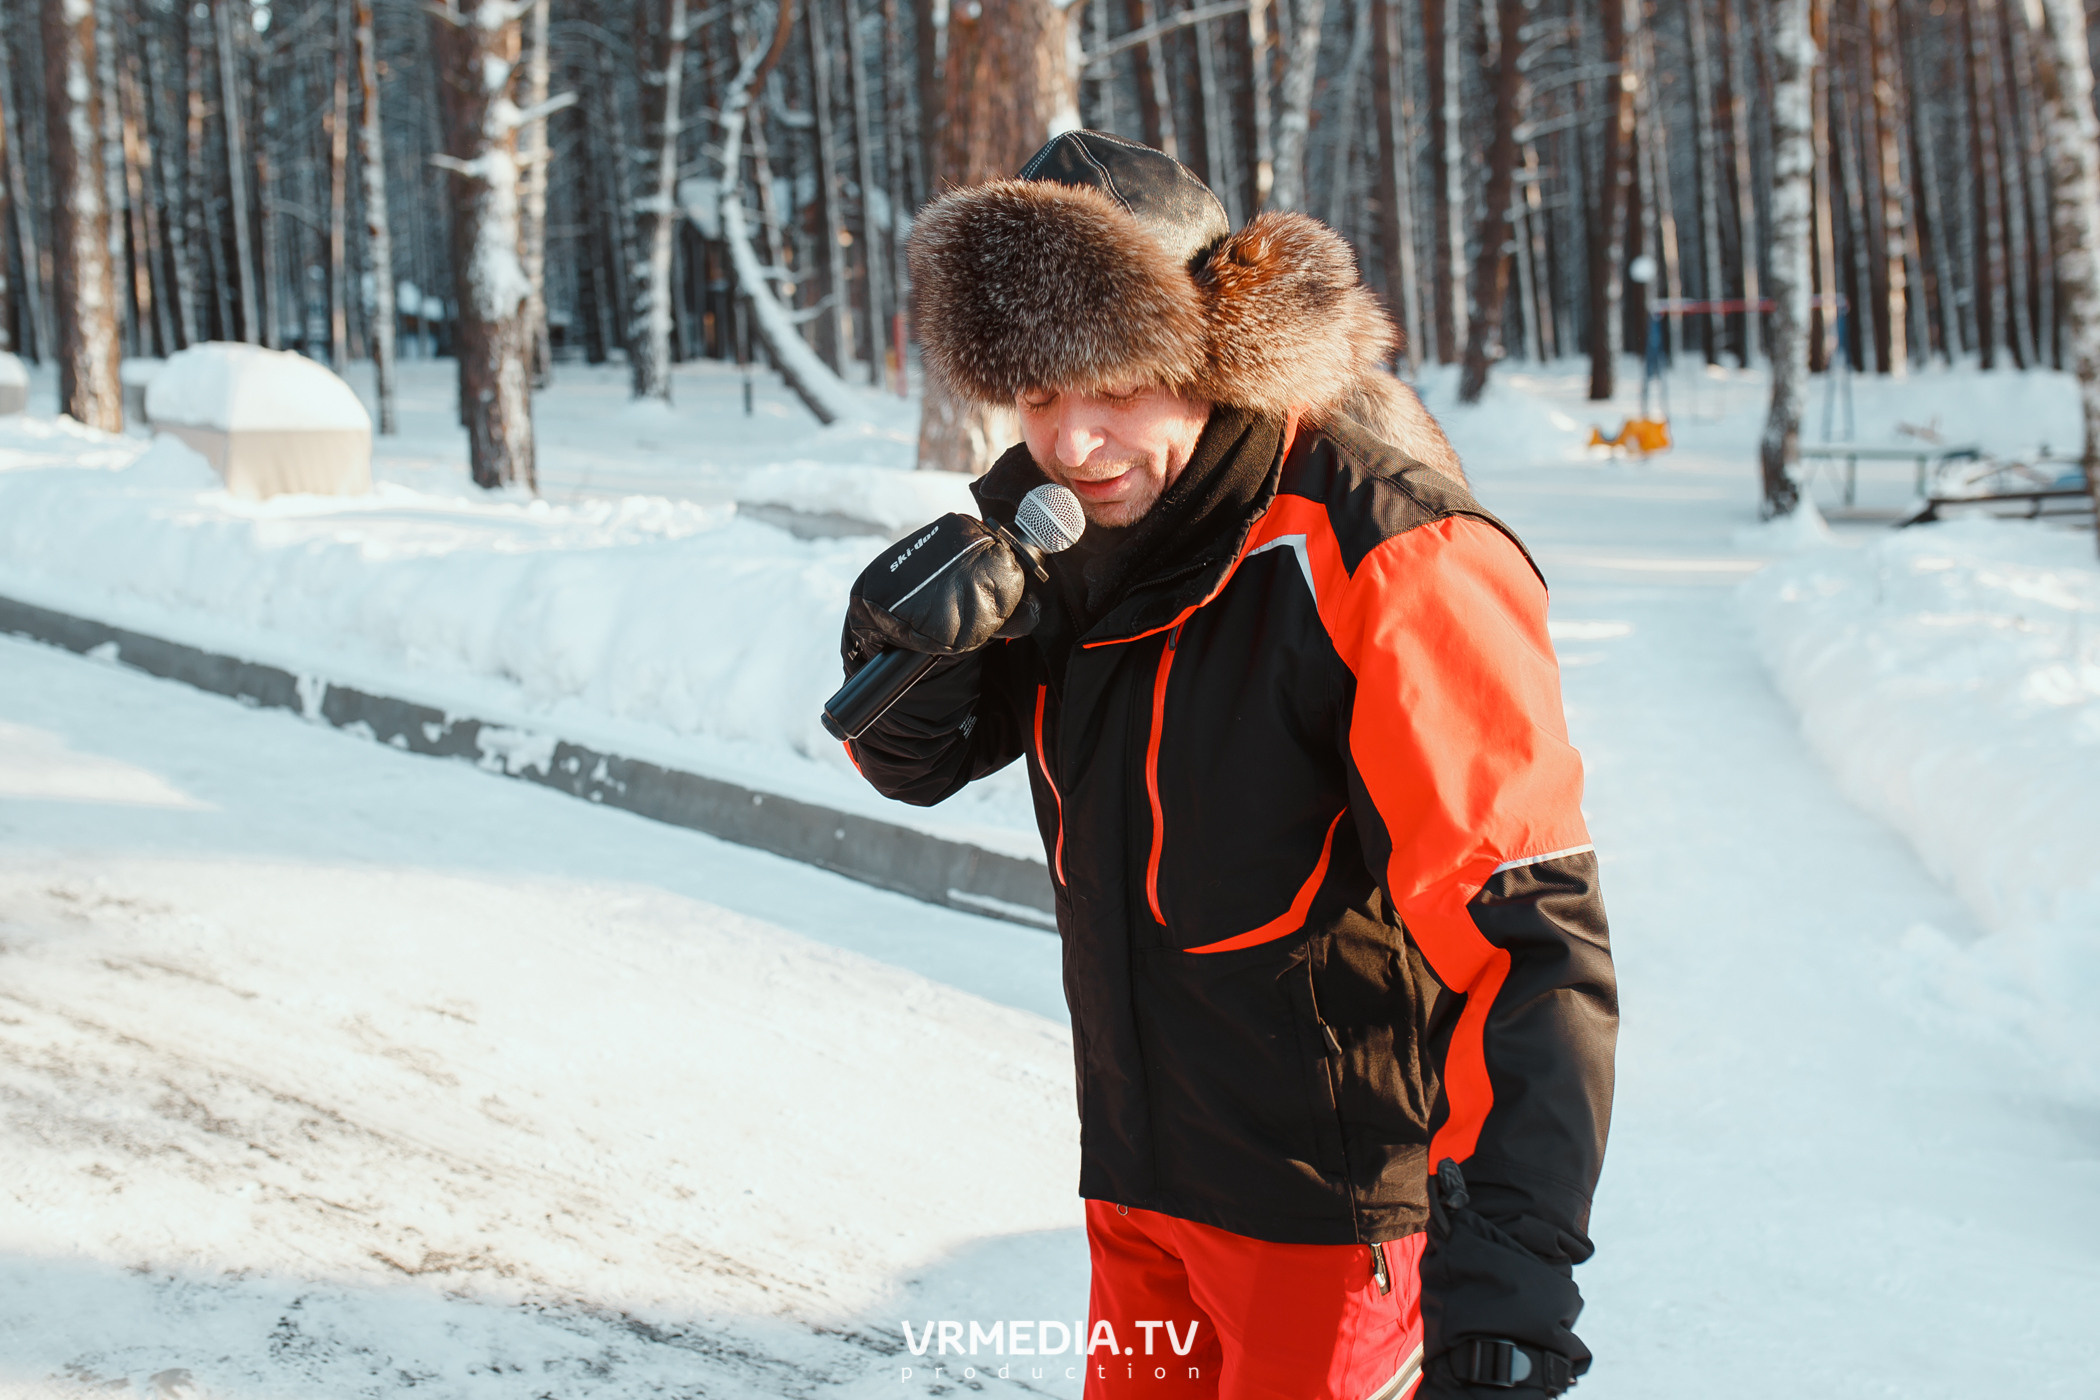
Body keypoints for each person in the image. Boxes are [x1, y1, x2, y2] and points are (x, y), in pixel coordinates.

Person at [841, 131, 1617, 1400]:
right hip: (1138, 1190)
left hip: (1335, 1231)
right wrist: (906, 649)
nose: (1075, 441)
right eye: (1036, 396)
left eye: (1114, 385)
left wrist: (1508, 1276)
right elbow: (914, 763)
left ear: (1206, 351)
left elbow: (1531, 934)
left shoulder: (1389, 554)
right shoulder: (1056, 525)